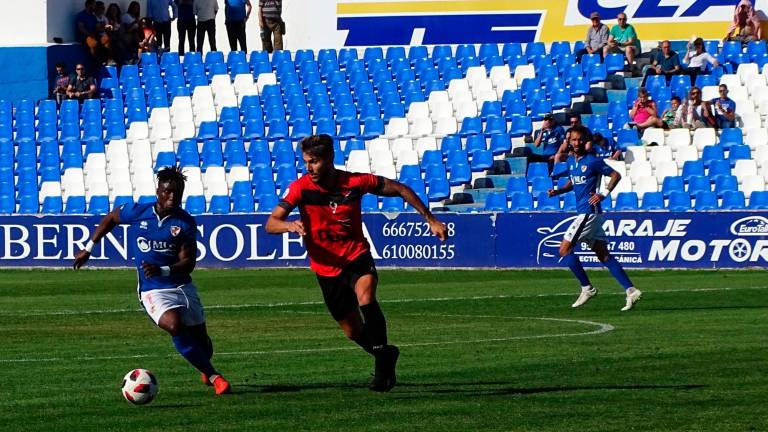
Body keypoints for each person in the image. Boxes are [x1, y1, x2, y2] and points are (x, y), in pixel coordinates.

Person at [265, 134, 448, 392]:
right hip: (326, 267)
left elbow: (401, 189)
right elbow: (271, 223)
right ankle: (385, 354)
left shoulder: (355, 182)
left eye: (314, 162)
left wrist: (430, 219)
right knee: (352, 331)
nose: (309, 168)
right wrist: (288, 225)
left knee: (366, 296)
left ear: (329, 159)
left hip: (356, 256)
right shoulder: (300, 188)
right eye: (306, 162)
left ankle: (382, 370)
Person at [73, 167, 232, 396]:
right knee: (174, 326)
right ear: (158, 191)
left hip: (180, 286)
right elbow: (111, 218)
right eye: (167, 192)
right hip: (152, 289)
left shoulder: (185, 223)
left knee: (203, 345)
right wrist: (89, 248)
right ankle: (216, 377)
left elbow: (188, 262)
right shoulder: (138, 212)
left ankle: (205, 367)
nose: (172, 197)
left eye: (177, 193)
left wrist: (162, 269)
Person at [546, 125, 642, 312]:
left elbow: (616, 174)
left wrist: (603, 193)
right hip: (590, 214)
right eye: (573, 139)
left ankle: (587, 288)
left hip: (588, 213)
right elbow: (573, 183)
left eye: (580, 139)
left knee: (564, 250)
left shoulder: (593, 161)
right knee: (603, 255)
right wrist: (558, 191)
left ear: (586, 141)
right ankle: (631, 290)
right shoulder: (572, 162)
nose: (576, 143)